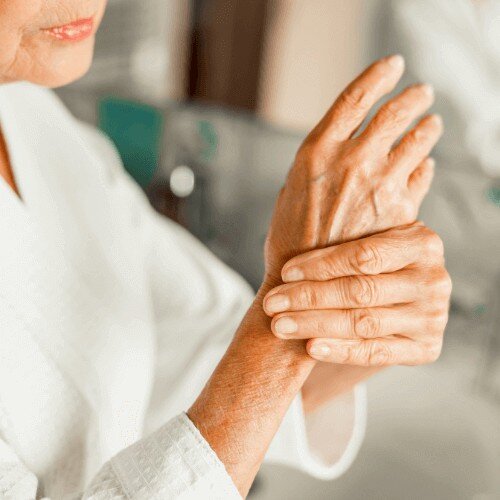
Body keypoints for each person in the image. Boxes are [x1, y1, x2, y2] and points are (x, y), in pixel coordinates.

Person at [0, 1, 451, 498]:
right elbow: (257, 356)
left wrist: (362, 305)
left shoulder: (30, 114)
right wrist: (293, 311)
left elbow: (194, 349)